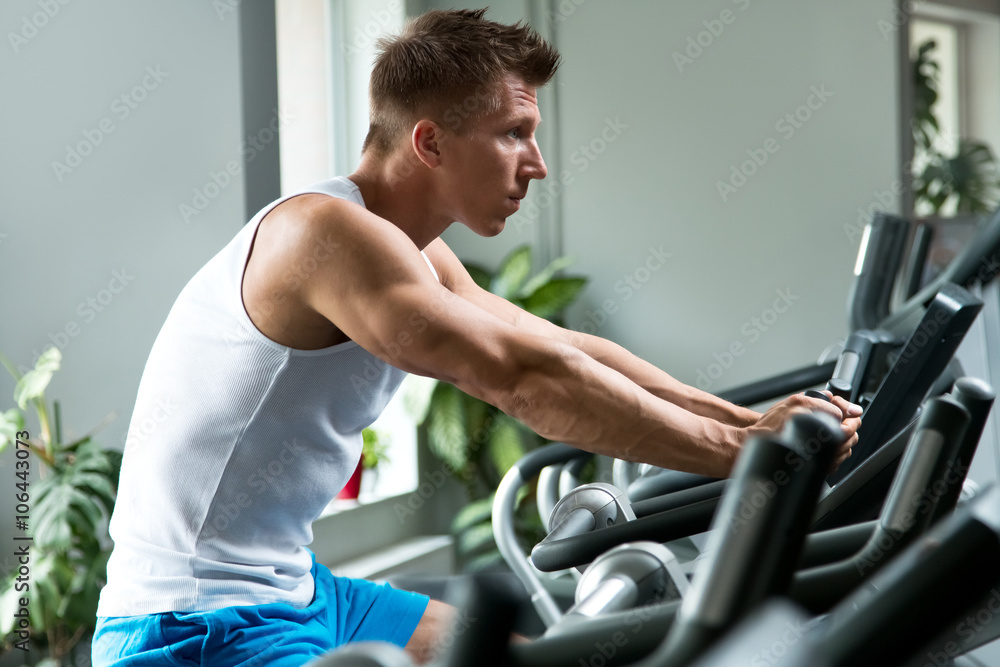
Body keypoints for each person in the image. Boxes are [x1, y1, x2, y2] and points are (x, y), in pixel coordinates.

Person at [92, 8, 861, 666]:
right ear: (429, 143)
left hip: (295, 586)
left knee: (524, 657)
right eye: (514, 133)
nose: (539, 164)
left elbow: (556, 346)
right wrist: (744, 457)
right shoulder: (324, 234)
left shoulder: (411, 245)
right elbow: (522, 380)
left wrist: (749, 425)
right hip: (193, 623)